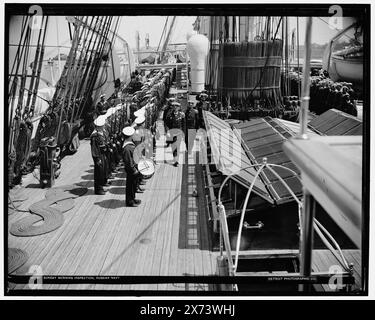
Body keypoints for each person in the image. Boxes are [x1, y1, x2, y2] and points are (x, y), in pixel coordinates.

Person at [122, 126, 142, 207]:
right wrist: (134, 170)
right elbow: (128, 161)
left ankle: (133, 198)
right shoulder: (127, 147)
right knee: (130, 186)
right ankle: (129, 201)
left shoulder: (129, 144)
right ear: (130, 136)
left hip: (133, 168)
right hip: (131, 170)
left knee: (133, 184)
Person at [90, 116, 108, 195]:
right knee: (98, 173)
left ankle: (102, 186)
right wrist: (97, 159)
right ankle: (98, 189)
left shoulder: (100, 132)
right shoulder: (95, 136)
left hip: (102, 154)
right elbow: (94, 149)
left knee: (102, 171)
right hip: (98, 156)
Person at [168, 102, 185, 167]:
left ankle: (176, 161)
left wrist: (183, 133)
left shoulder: (181, 115)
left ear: (179, 108)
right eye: (174, 107)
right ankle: (175, 159)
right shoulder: (169, 115)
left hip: (179, 133)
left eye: (177, 107)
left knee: (177, 147)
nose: (175, 108)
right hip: (172, 133)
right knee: (173, 147)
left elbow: (183, 124)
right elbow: (167, 124)